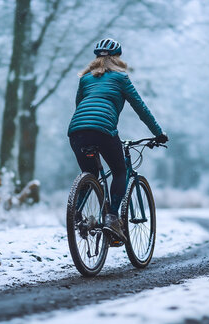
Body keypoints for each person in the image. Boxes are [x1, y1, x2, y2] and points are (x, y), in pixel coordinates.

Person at [68, 38, 168, 244]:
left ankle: (76, 213)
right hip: (103, 130)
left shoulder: (85, 79)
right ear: (117, 59)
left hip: (77, 131)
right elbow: (140, 108)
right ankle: (112, 217)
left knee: (91, 175)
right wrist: (158, 133)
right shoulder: (121, 79)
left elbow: (80, 106)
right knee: (120, 170)